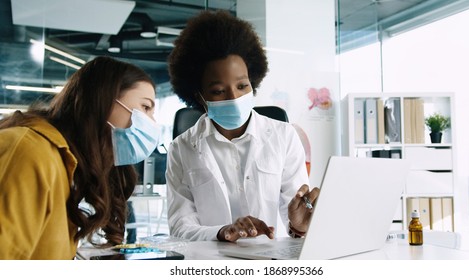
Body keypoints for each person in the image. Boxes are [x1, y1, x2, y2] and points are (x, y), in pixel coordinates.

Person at [166, 10, 320, 242]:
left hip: (272, 262)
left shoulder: (284, 136)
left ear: (253, 82)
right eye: (218, 91)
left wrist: (299, 226)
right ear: (199, 96)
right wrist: (222, 232)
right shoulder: (181, 148)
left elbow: (295, 213)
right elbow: (180, 226)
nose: (234, 97)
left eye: (242, 86)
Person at [0, 56, 163, 259]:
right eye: (146, 107)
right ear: (103, 101)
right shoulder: (28, 152)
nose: (152, 122)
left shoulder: (65, 164)